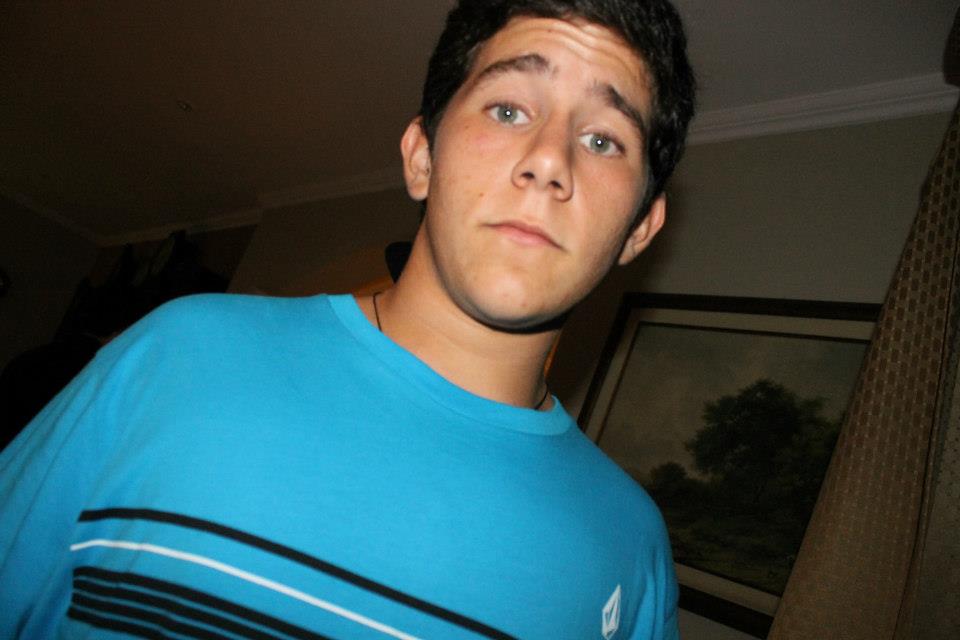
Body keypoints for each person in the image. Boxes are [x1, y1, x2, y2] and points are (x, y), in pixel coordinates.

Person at [0, 0, 695, 637]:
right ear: (422, 157)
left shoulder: (630, 551)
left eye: (604, 140)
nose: (548, 160)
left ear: (639, 228)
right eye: (509, 109)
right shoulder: (177, 354)